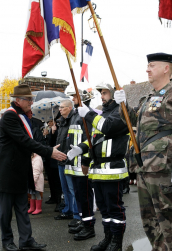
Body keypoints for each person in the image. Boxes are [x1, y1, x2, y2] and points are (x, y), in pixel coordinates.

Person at [114, 53, 172, 250]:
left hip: (164, 168)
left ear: (166, 68)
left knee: (168, 219)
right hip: (144, 167)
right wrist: (122, 105)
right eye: (147, 65)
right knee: (150, 220)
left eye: (152, 65)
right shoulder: (148, 98)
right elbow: (134, 124)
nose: (147, 69)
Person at [0, 84, 67, 251]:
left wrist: (47, 148)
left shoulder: (24, 116)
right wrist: (48, 152)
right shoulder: (10, 116)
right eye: (29, 99)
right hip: (8, 172)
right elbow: (24, 140)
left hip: (21, 170)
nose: (31, 102)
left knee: (22, 207)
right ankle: (7, 241)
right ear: (18, 100)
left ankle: (26, 240)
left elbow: (31, 141)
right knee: (6, 212)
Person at [68, 83, 130, 250]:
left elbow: (107, 127)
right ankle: (108, 239)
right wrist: (81, 148)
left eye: (105, 93)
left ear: (114, 94)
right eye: (101, 93)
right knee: (104, 209)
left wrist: (88, 114)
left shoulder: (121, 112)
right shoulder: (105, 113)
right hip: (99, 170)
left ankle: (116, 243)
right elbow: (95, 138)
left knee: (114, 209)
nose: (101, 96)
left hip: (113, 168)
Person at [64, 89, 96, 241]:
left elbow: (90, 138)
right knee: (78, 195)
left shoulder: (87, 114)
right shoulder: (77, 113)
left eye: (75, 96)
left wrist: (84, 159)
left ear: (84, 98)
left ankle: (89, 226)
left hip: (82, 163)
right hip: (74, 163)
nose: (72, 98)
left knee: (85, 196)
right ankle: (83, 221)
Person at [53, 99, 81, 227]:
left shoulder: (75, 119)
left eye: (62, 107)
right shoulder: (61, 122)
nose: (60, 109)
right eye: (59, 107)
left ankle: (76, 214)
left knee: (72, 188)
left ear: (69, 108)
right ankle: (68, 210)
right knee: (65, 188)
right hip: (61, 158)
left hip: (69, 159)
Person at [43, 119, 62, 212]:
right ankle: (53, 197)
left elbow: (55, 142)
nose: (49, 123)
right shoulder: (47, 130)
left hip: (55, 159)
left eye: (51, 121)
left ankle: (59, 201)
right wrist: (47, 135)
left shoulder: (58, 129)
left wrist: (53, 133)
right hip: (48, 159)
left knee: (57, 181)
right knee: (51, 179)